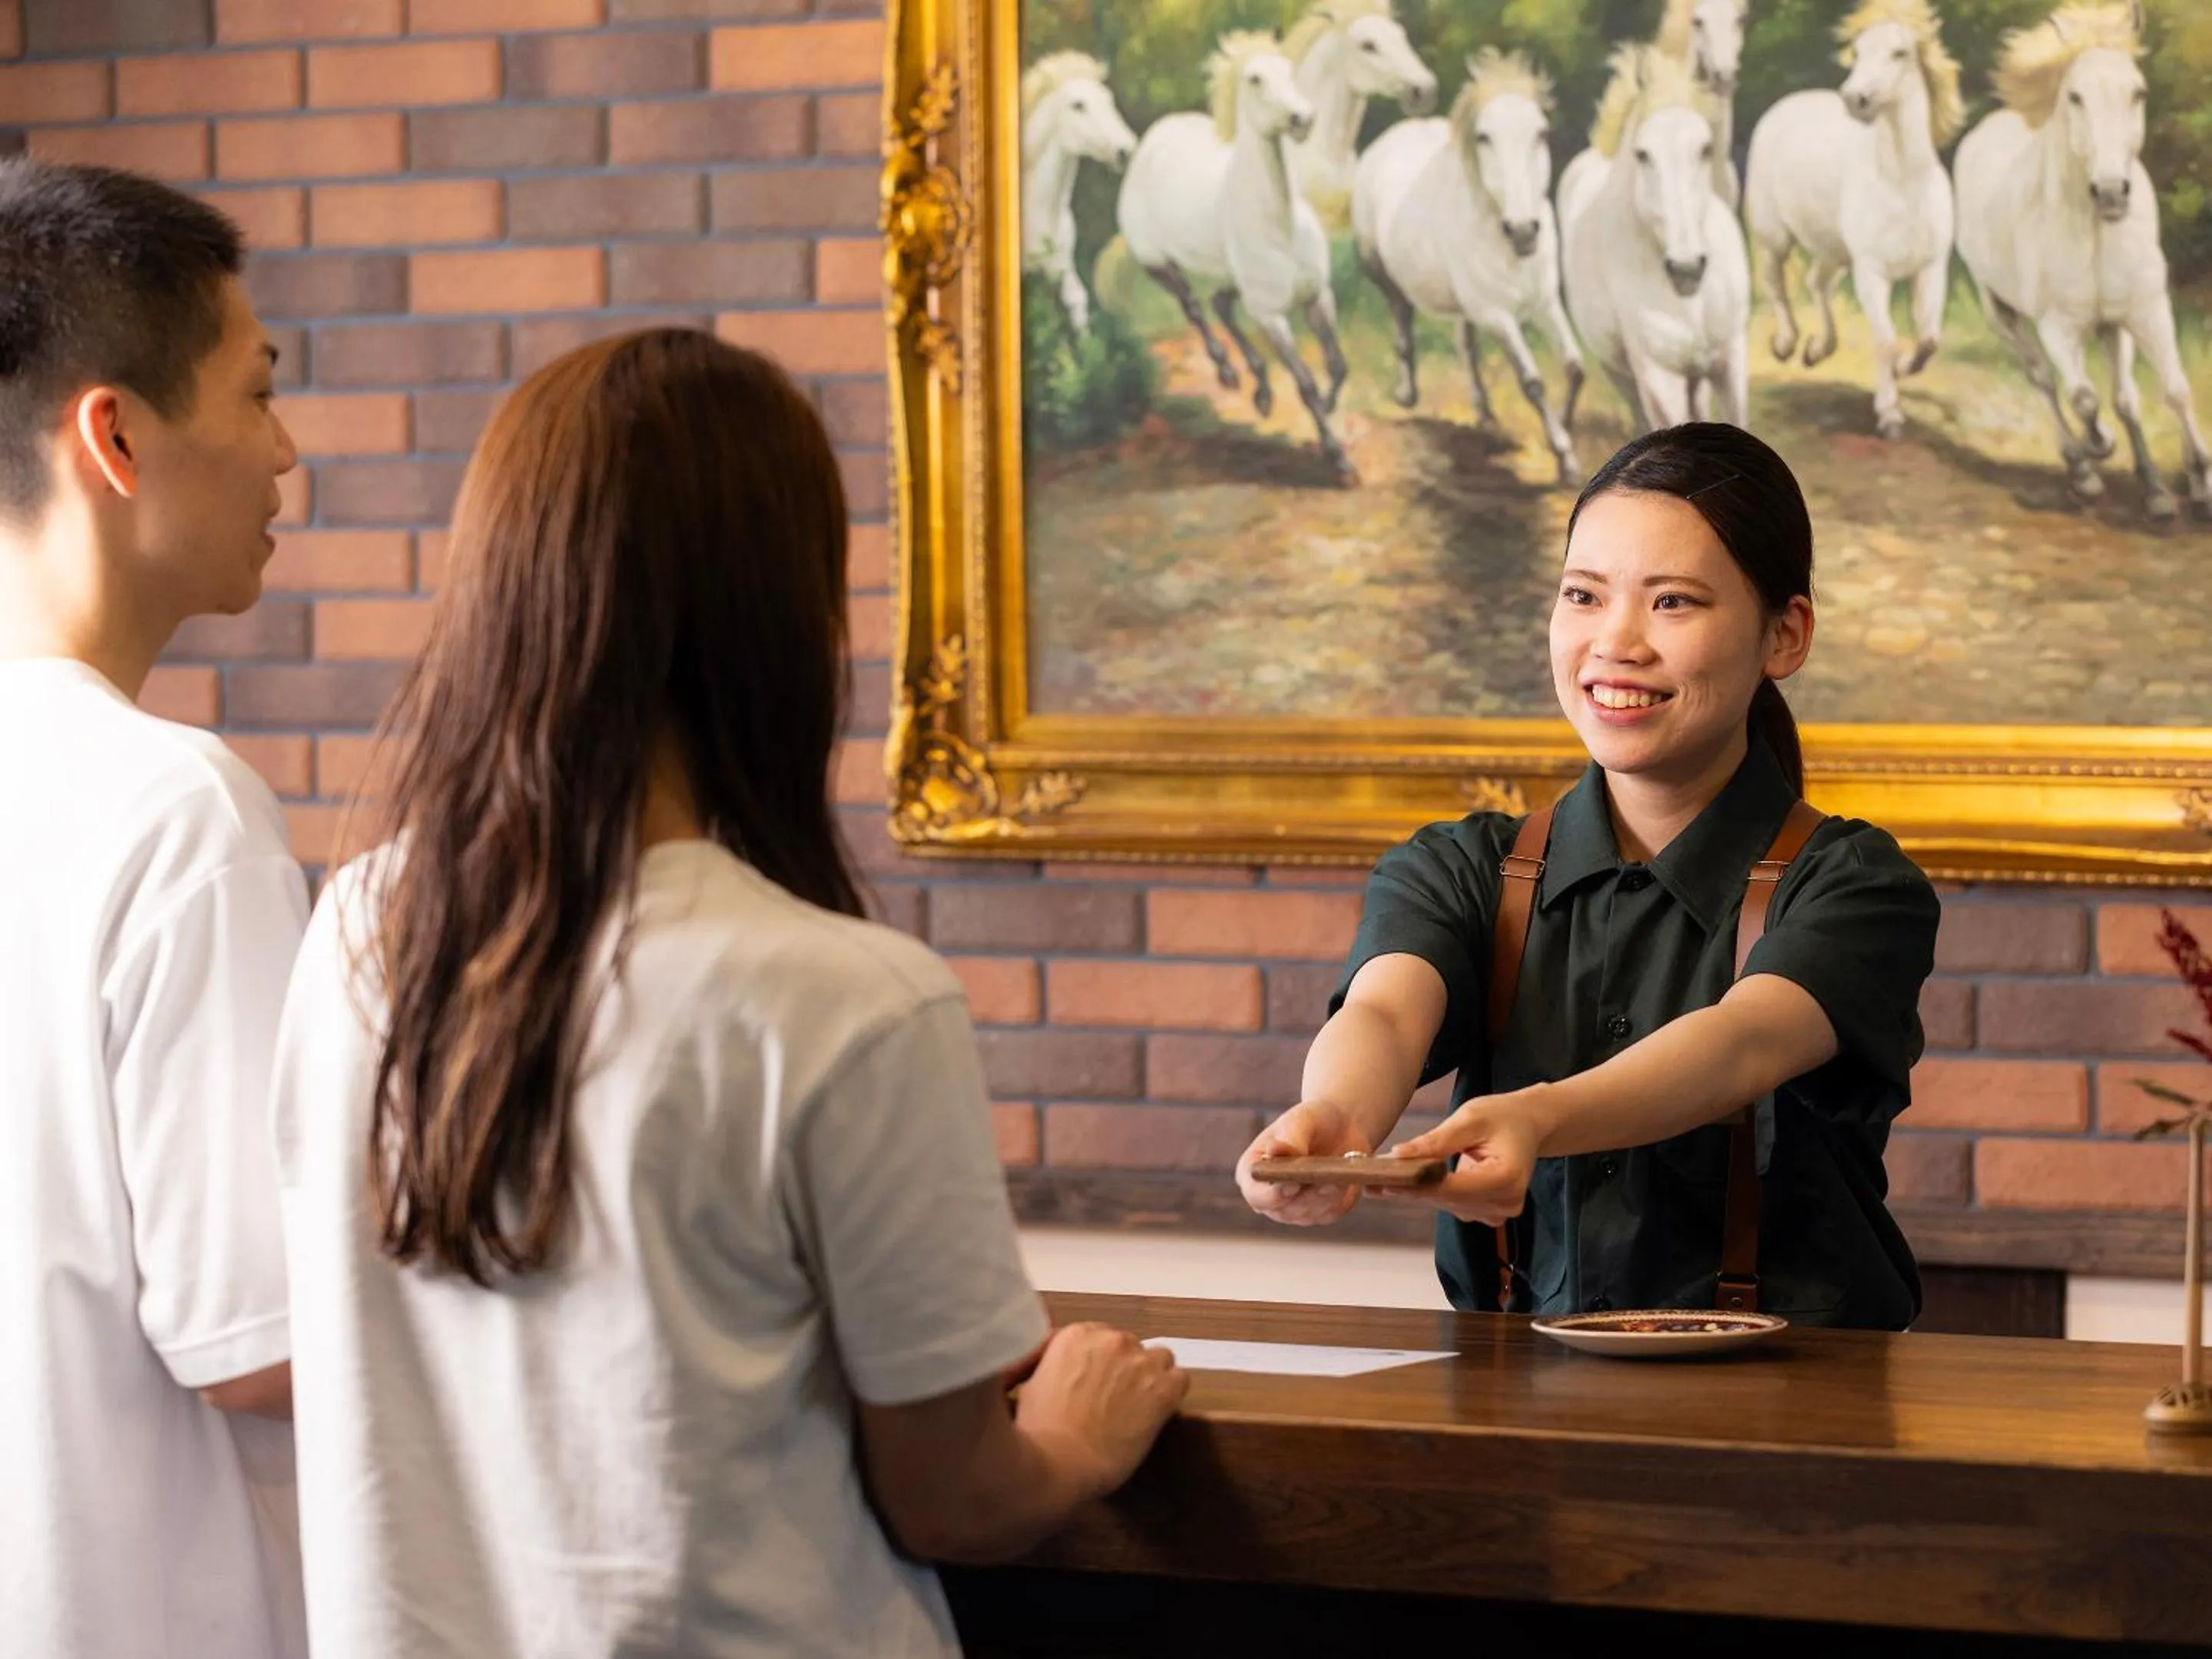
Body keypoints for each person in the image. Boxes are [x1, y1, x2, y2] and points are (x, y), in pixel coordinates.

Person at [270, 328, 1187, 1658]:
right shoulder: (847, 999)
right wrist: (1070, 1440)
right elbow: (958, 1499)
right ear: (774, 608)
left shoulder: (360, 928)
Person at [1236, 422, 1940, 1330]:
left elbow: (1742, 1044)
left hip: (1797, 1403)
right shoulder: (1460, 868)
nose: (1616, 643)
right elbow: (1385, 1011)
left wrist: (1537, 1119)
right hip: (1513, 1395)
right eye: (1583, 595)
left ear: (1785, 635)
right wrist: (1337, 1118)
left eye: (1672, 602)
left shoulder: (1855, 886)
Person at [0, 161, 307, 1657]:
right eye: (258, 395)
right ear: (115, 436)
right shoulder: (174, 811)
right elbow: (259, 1339)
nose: (285, 451)